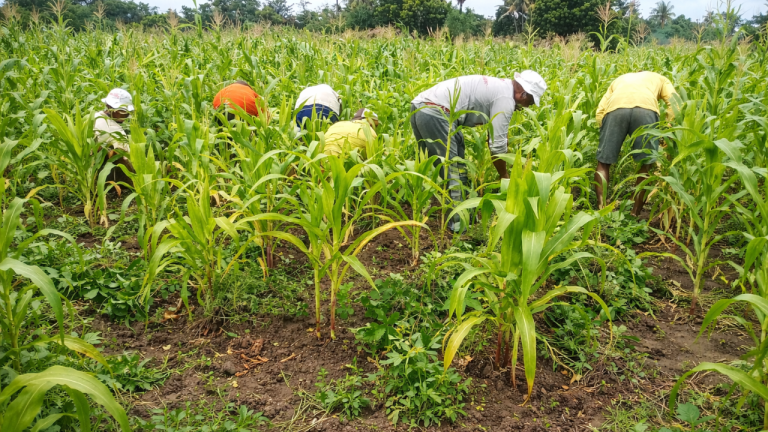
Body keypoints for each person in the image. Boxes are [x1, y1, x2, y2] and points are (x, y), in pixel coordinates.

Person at [409, 71, 547, 232]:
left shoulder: (501, 88)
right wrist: (504, 175)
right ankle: (459, 227)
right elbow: (497, 147)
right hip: (436, 113)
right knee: (452, 170)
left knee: (458, 162)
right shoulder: (505, 100)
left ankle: (463, 213)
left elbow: (495, 136)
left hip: (422, 107)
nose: (528, 106)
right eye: (530, 101)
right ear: (523, 94)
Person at [594, 71, 678, 217]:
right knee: (646, 163)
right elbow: (675, 103)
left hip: (615, 110)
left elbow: (601, 109)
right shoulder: (660, 79)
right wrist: (668, 128)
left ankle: (602, 209)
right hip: (646, 111)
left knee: (603, 162)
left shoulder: (619, 79)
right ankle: (635, 213)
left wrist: (604, 128)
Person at [94, 88, 134, 185]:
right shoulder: (115, 130)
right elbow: (125, 158)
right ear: (110, 108)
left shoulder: (95, 116)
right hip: (109, 175)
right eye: (123, 111)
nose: (126, 115)